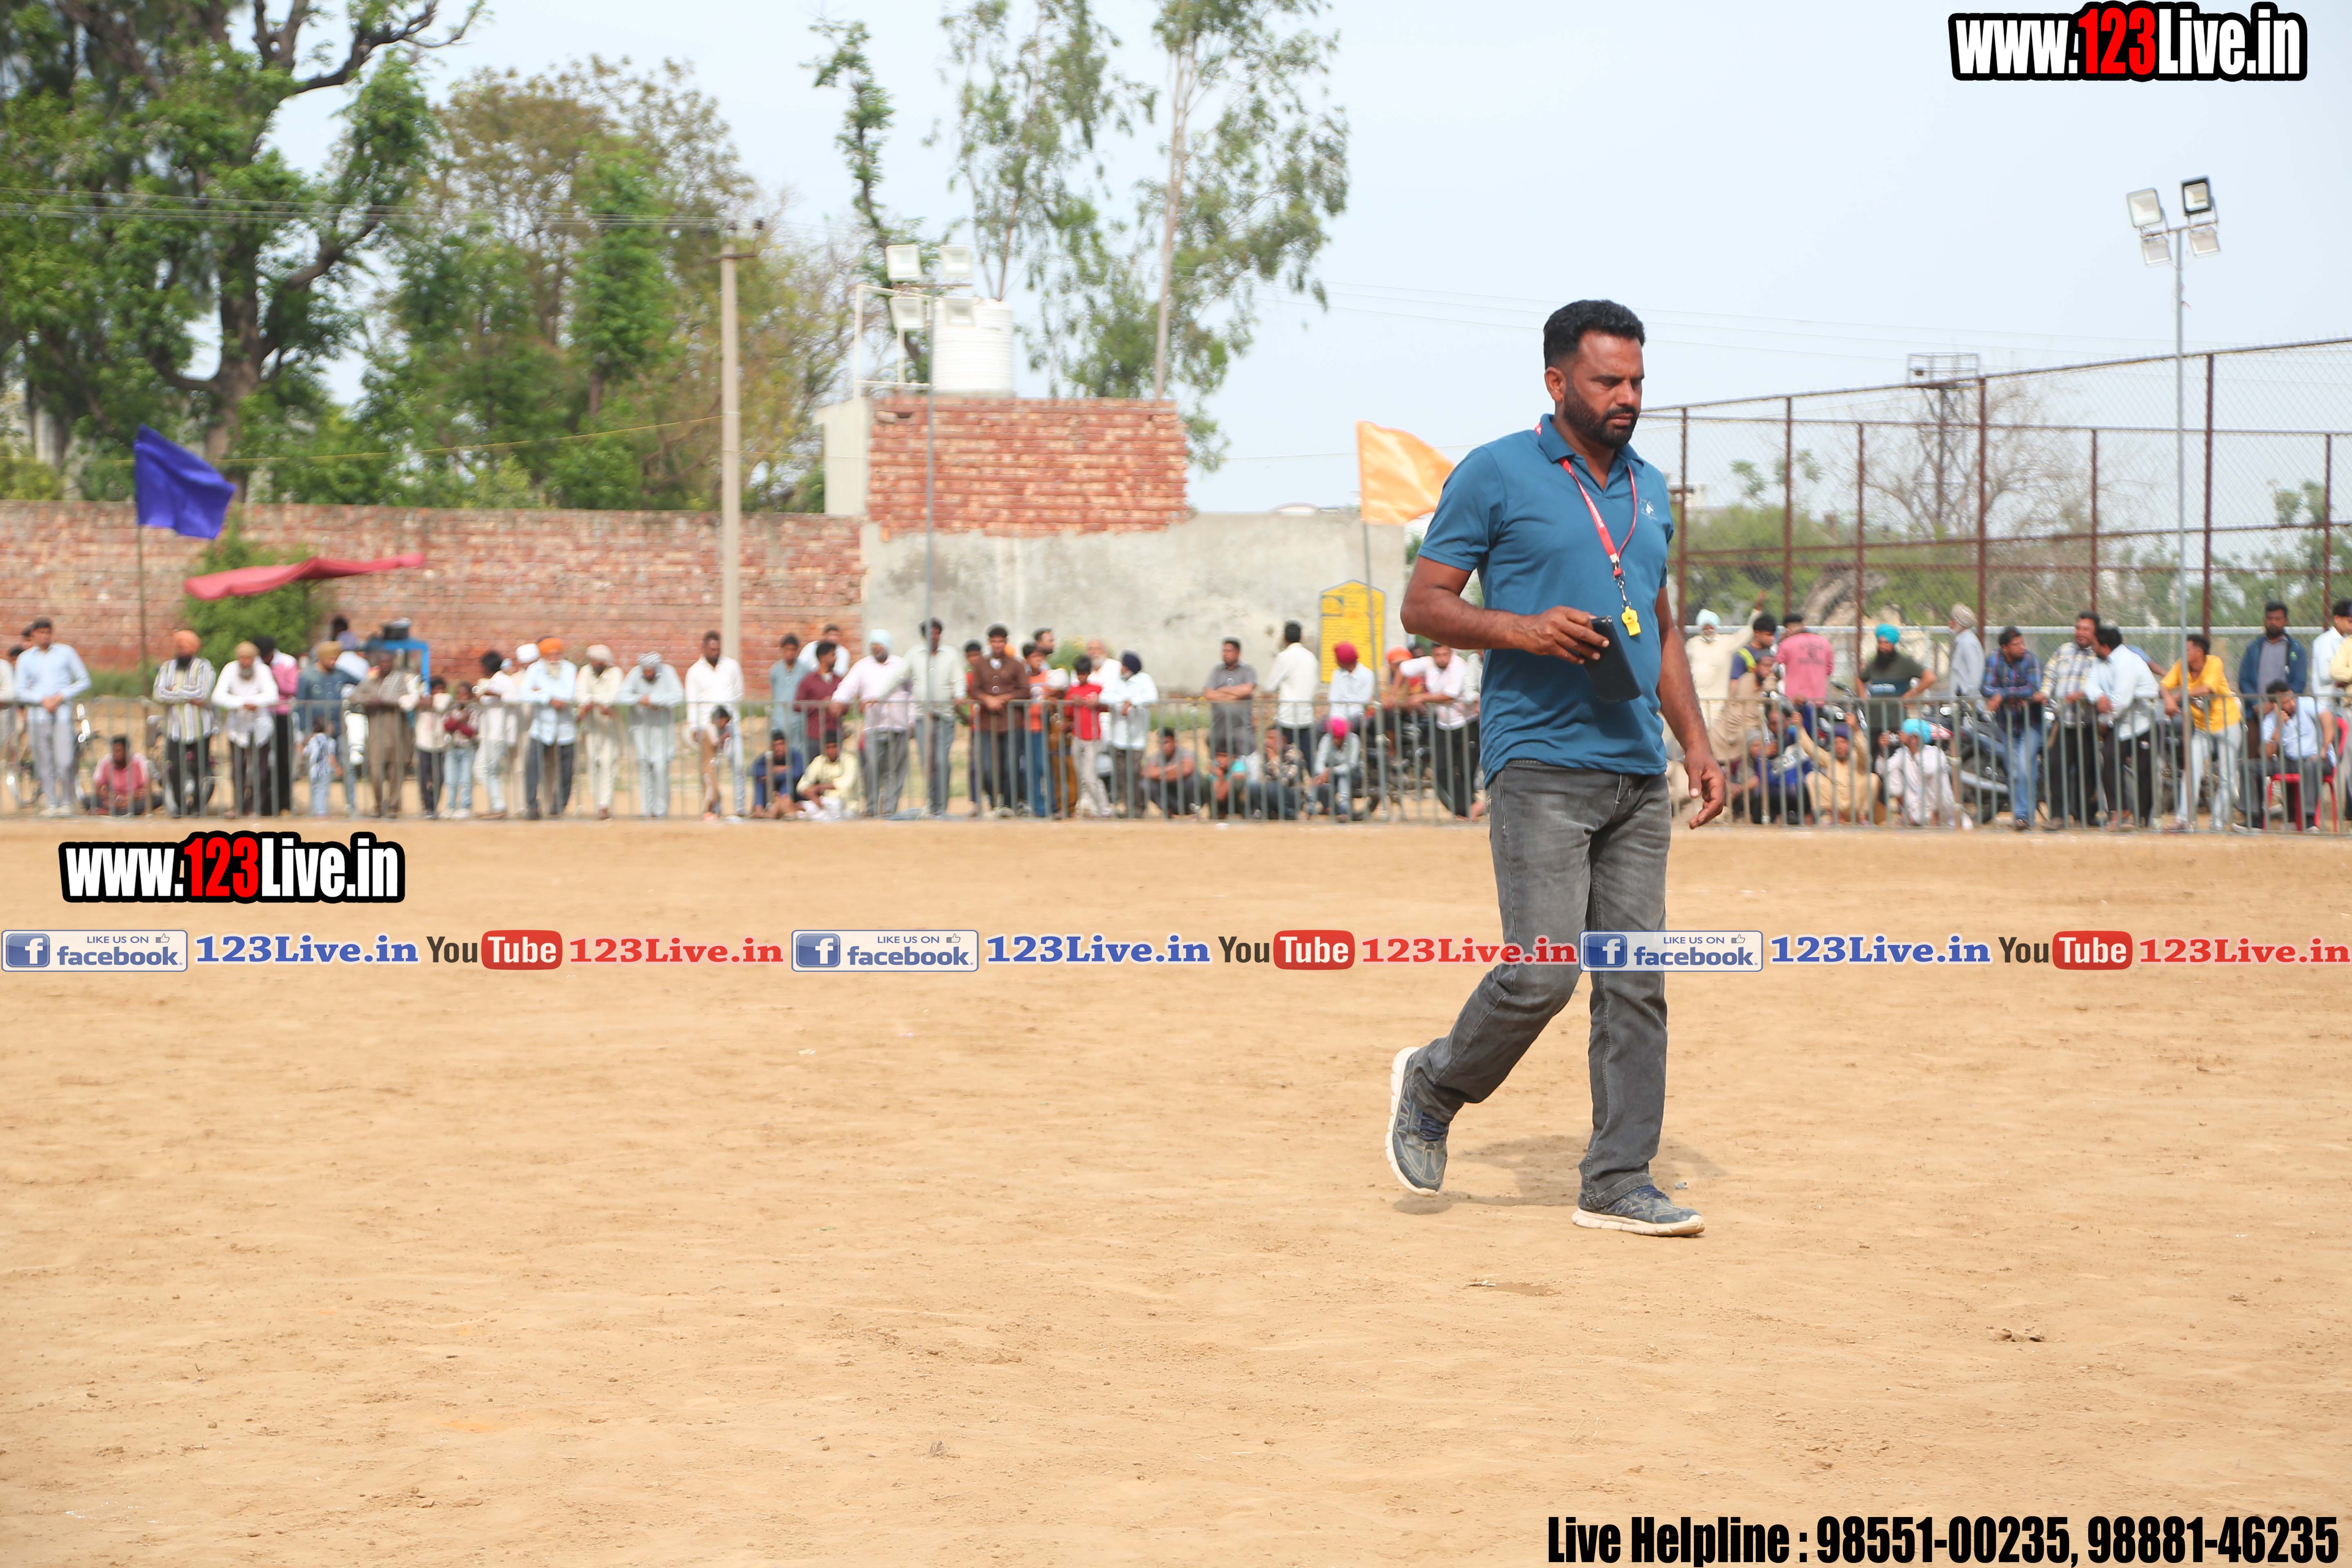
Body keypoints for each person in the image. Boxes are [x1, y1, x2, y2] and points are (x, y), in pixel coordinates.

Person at [1388, 297, 1724, 1237]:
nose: (1628, 397)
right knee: (1542, 972)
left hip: (1637, 769)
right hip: (1537, 758)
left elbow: (1659, 624)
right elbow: (1423, 604)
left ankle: (1617, 1178)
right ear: (1556, 381)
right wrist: (1523, 630)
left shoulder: (1649, 488)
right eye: (1607, 381)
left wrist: (1695, 744)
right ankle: (1434, 1082)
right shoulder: (1495, 472)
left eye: (1637, 382)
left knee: (1634, 979)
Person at [2162, 632, 2243, 833]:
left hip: (2228, 723)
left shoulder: (2214, 662)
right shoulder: (2182, 665)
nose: (2184, 653)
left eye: (2188, 649)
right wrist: (2168, 698)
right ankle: (2183, 820)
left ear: (2199, 652)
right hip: (2202, 727)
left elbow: (2208, 689)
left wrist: (2178, 696)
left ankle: (2217, 822)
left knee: (2227, 777)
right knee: (2192, 771)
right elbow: (2164, 685)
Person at [834, 630, 913, 818]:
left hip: (899, 725)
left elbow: (913, 693)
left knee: (895, 770)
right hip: (873, 726)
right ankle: (871, 807)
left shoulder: (901, 665)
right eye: (873, 645)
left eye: (880, 644)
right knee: (871, 767)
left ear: (887, 645)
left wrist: (911, 719)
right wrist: (838, 700)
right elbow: (848, 686)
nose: (876, 648)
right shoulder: (863, 666)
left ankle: (890, 809)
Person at [2087, 625, 2159, 829]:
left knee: (2144, 771)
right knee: (2109, 761)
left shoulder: (2127, 661)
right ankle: (2120, 811)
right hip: (2121, 725)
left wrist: (2104, 720)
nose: (2092, 648)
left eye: (2094, 644)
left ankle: (2144, 818)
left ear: (2105, 646)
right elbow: (2090, 685)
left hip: (2143, 723)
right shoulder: (2099, 662)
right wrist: (2099, 696)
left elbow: (2121, 701)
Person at [16, 617, 90, 816]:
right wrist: (41, 700)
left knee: (65, 761)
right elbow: (20, 690)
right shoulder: (26, 659)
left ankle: (66, 801)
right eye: (41, 633)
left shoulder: (66, 653)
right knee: (44, 761)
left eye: (48, 632)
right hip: (38, 715)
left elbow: (84, 680)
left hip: (62, 714)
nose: (45, 636)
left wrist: (61, 696)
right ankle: (51, 803)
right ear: (34, 635)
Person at [1980, 626, 2046, 830]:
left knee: (2025, 769)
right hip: (2006, 725)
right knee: (2016, 772)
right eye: (2016, 644)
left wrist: (2003, 695)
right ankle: (2022, 818)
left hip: (2031, 723)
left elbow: (2033, 688)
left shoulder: (2031, 660)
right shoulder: (1994, 659)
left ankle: (2023, 816)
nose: (2022, 647)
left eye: (2022, 643)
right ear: (2005, 648)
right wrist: (2012, 695)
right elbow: (1985, 688)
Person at [1403, 642, 1479, 816]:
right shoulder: (1428, 663)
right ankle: (1470, 807)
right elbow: (1402, 668)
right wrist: (1394, 693)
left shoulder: (1459, 665)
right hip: (1443, 725)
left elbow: (1450, 695)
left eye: (1445, 655)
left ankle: (1468, 810)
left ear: (1451, 653)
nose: (1442, 659)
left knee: (1466, 769)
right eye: (1438, 655)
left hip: (1465, 723)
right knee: (1441, 769)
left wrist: (1421, 697)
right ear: (1433, 655)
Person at [2042, 612, 2103, 827]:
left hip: (2088, 724)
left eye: (2086, 629)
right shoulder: (2063, 650)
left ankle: (2086, 815)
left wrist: (2084, 695)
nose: (2080, 633)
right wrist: (2044, 693)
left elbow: (2103, 684)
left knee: (2088, 771)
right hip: (2063, 722)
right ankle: (2058, 815)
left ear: (2095, 632)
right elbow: (2050, 675)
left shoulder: (2099, 655)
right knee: (2056, 767)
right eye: (2078, 628)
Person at [152, 627, 216, 818]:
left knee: (199, 768)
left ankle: (197, 807)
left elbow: (203, 693)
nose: (180, 651)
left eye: (184, 647)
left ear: (193, 649)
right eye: (178, 647)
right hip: (175, 728)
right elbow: (159, 693)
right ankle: (180, 806)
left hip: (200, 728)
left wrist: (176, 689)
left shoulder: (204, 667)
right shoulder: (167, 668)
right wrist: (189, 695)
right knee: (174, 768)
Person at [211, 640, 278, 817]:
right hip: (237, 726)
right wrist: (241, 703)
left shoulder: (263, 670)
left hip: (260, 725)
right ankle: (239, 806)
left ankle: (256, 807)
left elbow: (272, 694)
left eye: (248, 659)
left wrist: (255, 702)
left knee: (260, 770)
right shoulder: (230, 669)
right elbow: (218, 696)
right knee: (237, 770)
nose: (244, 662)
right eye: (241, 658)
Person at [965, 624, 1024, 817]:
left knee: (1010, 765)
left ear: (1006, 643)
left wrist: (1005, 698)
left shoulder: (1016, 665)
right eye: (994, 642)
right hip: (987, 724)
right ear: (990, 643)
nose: (998, 645)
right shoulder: (981, 665)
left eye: (1001, 641)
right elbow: (975, 689)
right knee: (988, 767)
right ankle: (993, 801)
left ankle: (1008, 805)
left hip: (1011, 722)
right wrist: (987, 699)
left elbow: (1025, 690)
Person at [686, 630, 745, 815]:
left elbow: (739, 693)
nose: (715, 652)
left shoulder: (732, 666)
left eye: (718, 649)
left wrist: (730, 717)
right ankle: (714, 808)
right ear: (703, 648)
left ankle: (740, 808)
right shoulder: (695, 672)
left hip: (731, 725)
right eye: (712, 649)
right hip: (708, 728)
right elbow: (692, 701)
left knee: (738, 764)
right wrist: (695, 726)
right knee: (712, 770)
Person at [353, 648, 417, 818]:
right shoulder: (370, 683)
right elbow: (354, 696)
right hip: (377, 734)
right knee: (375, 770)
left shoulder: (400, 681)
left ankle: (393, 808)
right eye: (383, 662)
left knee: (396, 772)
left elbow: (407, 699)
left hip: (397, 734)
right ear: (378, 664)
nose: (386, 665)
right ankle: (378, 805)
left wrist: (387, 701)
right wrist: (370, 701)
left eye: (389, 662)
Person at [521, 637, 579, 819]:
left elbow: (569, 694)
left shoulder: (569, 669)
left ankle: (559, 806)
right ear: (544, 656)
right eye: (550, 655)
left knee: (566, 770)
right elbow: (525, 694)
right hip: (541, 727)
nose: (554, 659)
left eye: (557, 655)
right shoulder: (535, 670)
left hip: (565, 727)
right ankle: (532, 806)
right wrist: (547, 698)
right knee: (533, 767)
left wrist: (542, 691)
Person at [621, 651, 683, 817]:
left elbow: (678, 697)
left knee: (661, 768)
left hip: (662, 730)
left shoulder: (668, 672)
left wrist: (656, 700)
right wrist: (640, 699)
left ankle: (661, 810)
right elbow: (622, 696)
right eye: (646, 671)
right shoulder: (635, 674)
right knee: (644, 767)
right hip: (641, 729)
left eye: (651, 671)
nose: (648, 674)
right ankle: (646, 810)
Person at [912, 619, 962, 818]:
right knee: (927, 762)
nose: (933, 637)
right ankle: (931, 803)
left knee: (942, 761)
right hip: (923, 717)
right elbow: (898, 676)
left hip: (945, 717)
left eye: (936, 633)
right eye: (930, 633)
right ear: (923, 636)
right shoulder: (915, 655)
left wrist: (960, 695)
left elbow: (958, 679)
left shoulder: (950, 654)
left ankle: (942, 806)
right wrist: (877, 697)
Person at [567, 645, 623, 820]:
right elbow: (579, 693)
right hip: (591, 726)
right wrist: (589, 702)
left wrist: (595, 701)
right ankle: (599, 803)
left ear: (604, 662)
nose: (593, 663)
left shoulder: (615, 673)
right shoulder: (586, 671)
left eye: (596, 660)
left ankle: (605, 805)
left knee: (608, 763)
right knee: (593, 764)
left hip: (609, 726)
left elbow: (614, 695)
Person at [2261, 681, 2325, 830]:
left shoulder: (2306, 704)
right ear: (2276, 706)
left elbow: (2329, 719)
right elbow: (2266, 755)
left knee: (2310, 765)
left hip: (2317, 758)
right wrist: (2278, 728)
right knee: (2250, 767)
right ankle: (2254, 820)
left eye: (2292, 699)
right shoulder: (2271, 720)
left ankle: (2309, 821)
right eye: (2286, 702)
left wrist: (2325, 748)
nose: (2292, 704)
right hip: (2291, 762)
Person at [1878, 717, 1961, 828]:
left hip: (1942, 810)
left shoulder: (1936, 752)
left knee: (1934, 776)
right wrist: (1883, 750)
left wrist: (1913, 750)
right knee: (1892, 772)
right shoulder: (1903, 753)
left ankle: (1934, 818)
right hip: (1916, 807)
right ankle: (1908, 815)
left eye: (1912, 737)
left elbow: (1929, 771)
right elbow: (1882, 771)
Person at [1857, 623, 1928, 748]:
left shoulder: (1905, 663)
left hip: (1896, 723)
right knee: (1873, 758)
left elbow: (1930, 678)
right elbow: (1860, 679)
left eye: (1887, 643)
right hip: (1874, 723)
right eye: (1880, 643)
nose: (1883, 647)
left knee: (1895, 757)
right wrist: (1864, 698)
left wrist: (1910, 695)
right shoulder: (1874, 664)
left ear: (1894, 644)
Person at [1104, 651, 1157, 817]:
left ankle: (1139, 808)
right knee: (1121, 775)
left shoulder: (1144, 680)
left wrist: (1133, 702)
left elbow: (1152, 697)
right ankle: (1128, 808)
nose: (1121, 668)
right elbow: (1105, 696)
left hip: (1136, 739)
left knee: (1134, 774)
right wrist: (1123, 702)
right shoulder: (1115, 679)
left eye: (1124, 665)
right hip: (1117, 737)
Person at [252, 633, 298, 815]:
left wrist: (274, 680)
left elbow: (293, 689)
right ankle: (263, 804)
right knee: (261, 761)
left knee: (283, 760)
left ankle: (284, 803)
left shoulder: (287, 662)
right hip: (261, 715)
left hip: (281, 715)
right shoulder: (255, 663)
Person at [1791, 722, 1872, 824]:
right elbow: (1811, 749)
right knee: (1813, 777)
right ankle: (1830, 816)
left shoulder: (1858, 757)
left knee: (1873, 779)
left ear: (1850, 744)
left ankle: (1862, 817)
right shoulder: (1830, 758)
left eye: (1843, 742)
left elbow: (1864, 751)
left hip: (1856, 803)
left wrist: (1856, 729)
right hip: (1837, 806)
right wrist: (1800, 728)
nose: (1839, 746)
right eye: (1836, 743)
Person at [474, 649, 522, 820]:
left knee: (482, 769)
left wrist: (497, 694)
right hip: (489, 733)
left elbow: (517, 698)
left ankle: (499, 806)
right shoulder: (490, 681)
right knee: (488, 770)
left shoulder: (503, 680)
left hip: (498, 733)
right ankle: (497, 806)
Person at [1263, 621, 1321, 762]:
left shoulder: (1284, 657)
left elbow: (1269, 686)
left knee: (1273, 753)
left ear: (1284, 638)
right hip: (1306, 716)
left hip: (1287, 717)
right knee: (1309, 758)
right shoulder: (1312, 658)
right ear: (1302, 637)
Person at [1066, 655, 1110, 819]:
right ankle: (1091, 808)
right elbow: (1067, 713)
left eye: (1084, 674)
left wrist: (1097, 703)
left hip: (1093, 738)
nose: (1081, 677)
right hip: (1077, 736)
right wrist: (1072, 703)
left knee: (1090, 776)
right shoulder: (1072, 691)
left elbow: (1107, 705)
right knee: (1082, 777)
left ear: (1089, 673)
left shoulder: (1097, 689)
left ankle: (1104, 809)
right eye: (1079, 674)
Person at [1774, 609, 1834, 729]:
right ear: (1803, 625)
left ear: (1788, 629)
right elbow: (1829, 670)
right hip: (1818, 700)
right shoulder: (1824, 643)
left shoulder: (1786, 644)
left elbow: (1775, 666)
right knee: (1815, 735)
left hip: (1795, 701)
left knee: (1797, 734)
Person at [1202, 637, 1259, 759]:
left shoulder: (1248, 671)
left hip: (1242, 730)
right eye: (1224, 651)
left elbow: (1248, 690)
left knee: (1245, 762)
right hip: (1219, 730)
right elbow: (1209, 694)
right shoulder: (1217, 671)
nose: (1225, 654)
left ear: (1238, 653)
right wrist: (1236, 696)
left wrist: (1223, 690)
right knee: (1218, 763)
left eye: (1229, 651)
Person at [1682, 609, 1736, 731]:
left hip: (1718, 702)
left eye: (1710, 627)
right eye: (1705, 628)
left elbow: (1745, 635)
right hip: (1697, 699)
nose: (1708, 630)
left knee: (1713, 732)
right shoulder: (1693, 644)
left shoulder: (1726, 643)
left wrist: (1757, 611)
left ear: (1715, 627)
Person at [1019, 641, 1056, 816]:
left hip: (1043, 728)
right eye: (1034, 657)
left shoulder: (1048, 676)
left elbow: (1056, 696)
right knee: (1030, 768)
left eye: (1040, 657)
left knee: (1044, 766)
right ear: (1027, 659)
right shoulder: (1023, 679)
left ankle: (1051, 804)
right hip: (1026, 728)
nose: (1038, 660)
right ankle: (1036, 806)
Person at [694, 704, 744, 822]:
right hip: (708, 766)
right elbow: (715, 743)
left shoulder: (714, 730)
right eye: (724, 722)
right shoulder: (709, 729)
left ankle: (712, 812)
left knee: (715, 791)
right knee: (711, 791)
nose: (725, 725)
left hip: (713, 766)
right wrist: (725, 737)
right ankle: (707, 812)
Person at [795, 638, 845, 753]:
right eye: (833, 655)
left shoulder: (840, 681)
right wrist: (820, 705)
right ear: (823, 657)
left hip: (835, 737)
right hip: (815, 736)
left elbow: (847, 704)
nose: (836, 658)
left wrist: (838, 706)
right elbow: (797, 705)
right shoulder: (808, 681)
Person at [1248, 723, 1308, 820]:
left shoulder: (1294, 754)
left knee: (1273, 787)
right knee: (1253, 786)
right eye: (1267, 738)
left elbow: (1286, 781)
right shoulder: (1266, 755)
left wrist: (1274, 761)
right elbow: (1262, 780)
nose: (1267, 741)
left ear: (1283, 740)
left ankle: (1291, 815)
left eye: (1271, 738)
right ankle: (1265, 813)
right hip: (1273, 794)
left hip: (1293, 796)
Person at [796, 732, 862, 819]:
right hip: (824, 804)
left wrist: (819, 788)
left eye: (834, 747)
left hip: (846, 807)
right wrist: (813, 797)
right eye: (828, 748)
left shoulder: (850, 760)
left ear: (840, 747)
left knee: (810, 814)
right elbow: (802, 784)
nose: (831, 751)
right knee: (798, 807)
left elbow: (846, 783)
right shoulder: (819, 761)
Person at [1311, 715, 1363, 820]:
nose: (1335, 740)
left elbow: (1351, 765)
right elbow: (1319, 762)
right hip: (1331, 774)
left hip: (1354, 774)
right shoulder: (1327, 739)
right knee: (1317, 779)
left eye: (1338, 738)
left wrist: (1332, 771)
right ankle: (1310, 809)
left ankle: (1344, 810)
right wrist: (1323, 774)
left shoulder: (1354, 740)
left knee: (1344, 777)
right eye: (1334, 737)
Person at [1140, 726, 1199, 816]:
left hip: (1184, 795)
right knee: (1145, 784)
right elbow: (1145, 772)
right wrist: (1172, 768)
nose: (1163, 746)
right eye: (1160, 743)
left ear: (1175, 743)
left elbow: (1187, 770)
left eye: (1166, 743)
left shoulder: (1186, 753)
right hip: (1169, 797)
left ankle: (1193, 811)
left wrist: (1159, 774)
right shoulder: (1156, 757)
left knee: (1195, 779)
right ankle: (1167, 811)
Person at [412, 675, 450, 817]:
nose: (439, 691)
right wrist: (423, 699)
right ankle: (427, 806)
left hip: (440, 744)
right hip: (423, 743)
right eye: (436, 689)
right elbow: (412, 702)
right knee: (424, 776)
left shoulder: (446, 698)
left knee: (439, 777)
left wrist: (428, 701)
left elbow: (440, 705)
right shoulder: (423, 697)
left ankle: (435, 805)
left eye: (441, 689)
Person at [87, 735, 152, 816]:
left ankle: (110, 813)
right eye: (114, 751)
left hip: (133, 801)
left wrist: (127, 800)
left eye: (119, 751)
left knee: (152, 800)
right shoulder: (105, 762)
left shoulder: (139, 761)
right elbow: (97, 790)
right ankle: (125, 813)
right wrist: (117, 798)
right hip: (112, 800)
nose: (115, 754)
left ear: (127, 751)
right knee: (89, 800)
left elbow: (147, 789)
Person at [2312, 598, 2351, 730]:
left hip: (2341, 704)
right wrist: (2347, 679)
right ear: (2337, 619)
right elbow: (2325, 674)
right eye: (2350, 621)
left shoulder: (2347, 640)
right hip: (2326, 704)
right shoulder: (2326, 641)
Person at [441, 681, 478, 819]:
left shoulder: (474, 710)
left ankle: (465, 806)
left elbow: (471, 731)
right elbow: (447, 726)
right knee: (451, 780)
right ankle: (450, 806)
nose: (462, 698)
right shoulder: (452, 709)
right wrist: (460, 720)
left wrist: (457, 723)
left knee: (466, 779)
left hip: (467, 748)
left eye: (465, 695)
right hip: (453, 747)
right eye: (459, 694)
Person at [768, 633, 806, 758]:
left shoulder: (805, 670)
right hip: (779, 718)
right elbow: (775, 692)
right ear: (782, 650)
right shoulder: (775, 671)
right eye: (787, 650)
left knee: (797, 751)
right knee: (779, 750)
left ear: (797, 651)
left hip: (798, 719)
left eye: (793, 650)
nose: (790, 653)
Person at [750, 730, 802, 818]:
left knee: (789, 779)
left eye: (781, 744)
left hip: (791, 793)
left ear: (786, 745)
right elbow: (753, 770)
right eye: (775, 746)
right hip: (772, 791)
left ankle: (776, 808)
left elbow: (797, 773)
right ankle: (759, 810)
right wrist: (775, 770)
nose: (779, 748)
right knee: (760, 780)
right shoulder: (768, 757)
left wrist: (772, 776)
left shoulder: (795, 755)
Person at [303, 715, 341, 817]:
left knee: (315, 790)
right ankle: (321, 812)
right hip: (325, 770)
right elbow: (331, 756)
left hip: (313, 770)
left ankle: (314, 810)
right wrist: (337, 767)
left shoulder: (313, 740)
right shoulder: (330, 741)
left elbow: (305, 753)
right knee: (323, 790)